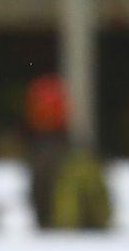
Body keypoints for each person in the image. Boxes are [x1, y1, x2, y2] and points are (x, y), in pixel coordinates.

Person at [24, 74, 112, 230]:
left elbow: (39, 205)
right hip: (80, 232)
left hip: (61, 231)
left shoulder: (42, 155)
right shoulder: (81, 153)